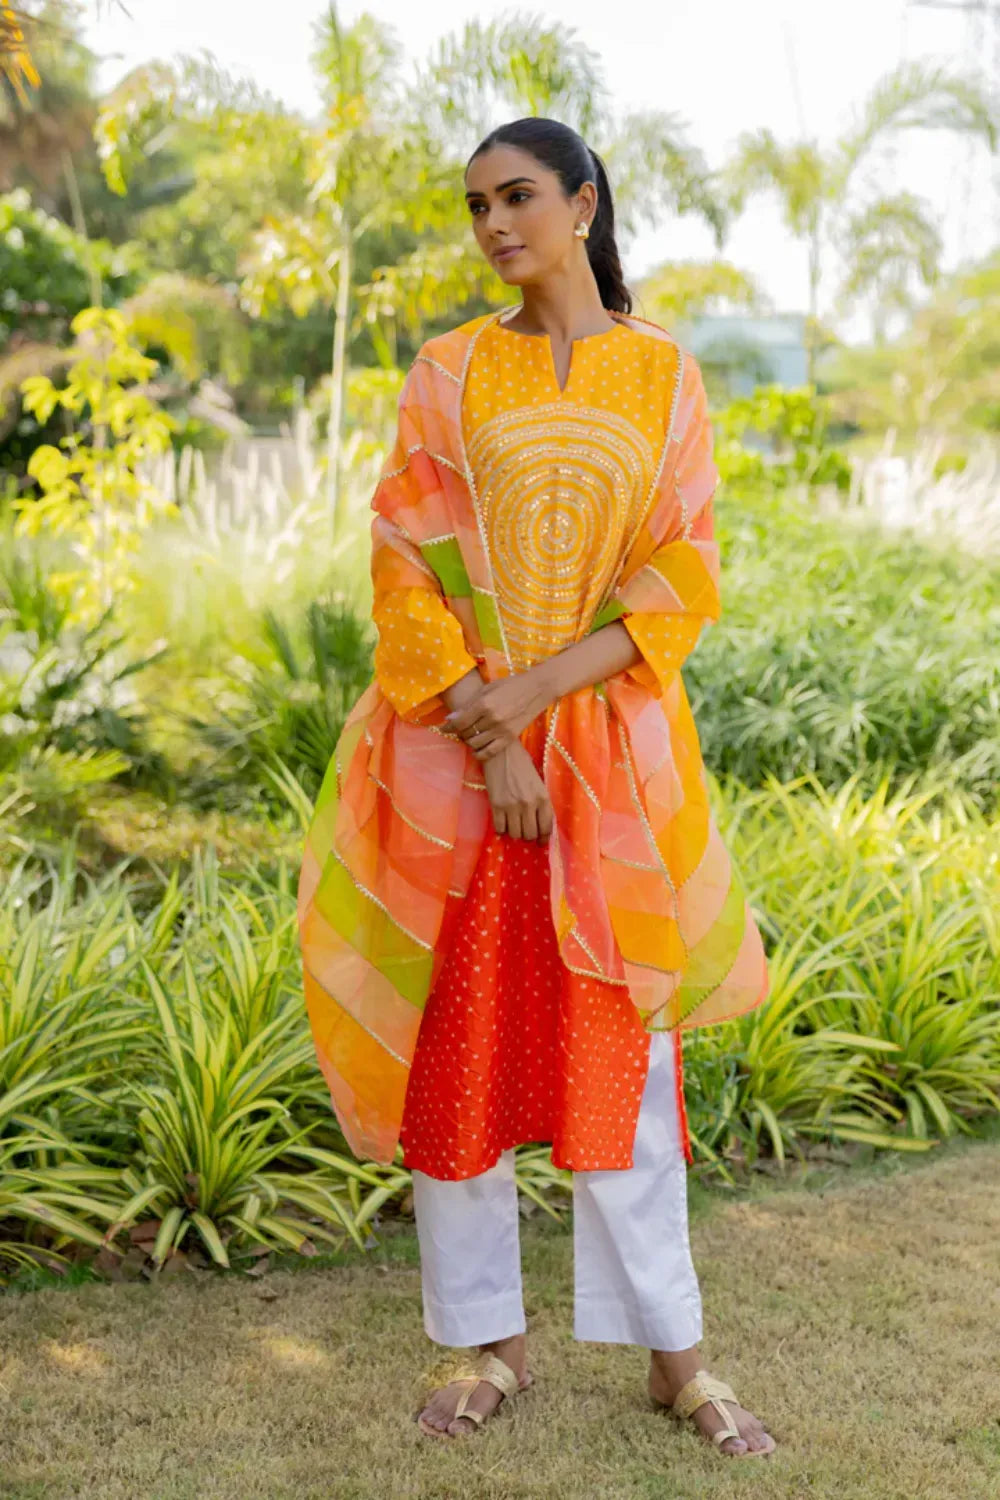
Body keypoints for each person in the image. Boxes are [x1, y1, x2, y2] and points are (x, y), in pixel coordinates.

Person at [297, 115, 775, 1460]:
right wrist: (495, 737)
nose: (496, 224)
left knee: (622, 1058)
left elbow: (681, 573)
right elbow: (406, 567)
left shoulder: (663, 374)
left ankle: (675, 1358)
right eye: (475, 206)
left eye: (517, 196)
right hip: (458, 766)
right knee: (464, 1050)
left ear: (583, 202)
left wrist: (540, 696)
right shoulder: (449, 373)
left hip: (609, 767)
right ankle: (486, 1343)